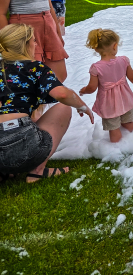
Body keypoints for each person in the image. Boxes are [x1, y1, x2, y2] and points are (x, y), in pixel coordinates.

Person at [0, 24, 93, 183]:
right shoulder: (35, 68)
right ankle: (37, 171)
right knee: (63, 107)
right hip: (27, 147)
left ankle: (5, 171)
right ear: (25, 45)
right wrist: (82, 106)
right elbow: (62, 94)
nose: (36, 45)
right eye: (34, 41)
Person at [80, 29, 133, 143]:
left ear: (96, 48)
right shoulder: (124, 60)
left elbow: (92, 87)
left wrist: (84, 90)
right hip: (125, 99)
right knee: (128, 122)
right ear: (115, 46)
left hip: (109, 104)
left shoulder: (96, 68)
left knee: (114, 128)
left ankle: (116, 149)